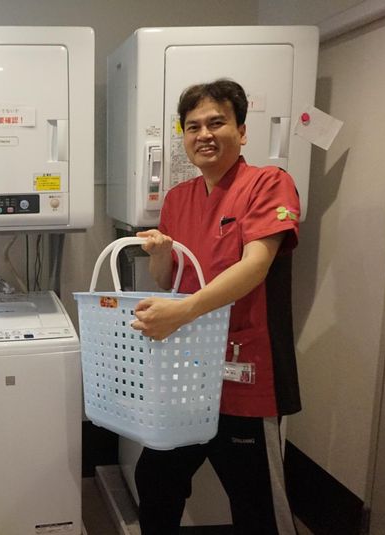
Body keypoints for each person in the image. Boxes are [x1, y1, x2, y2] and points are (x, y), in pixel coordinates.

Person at [131, 79, 301, 534]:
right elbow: (169, 280)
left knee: (255, 502)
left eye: (216, 123)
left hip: (246, 370)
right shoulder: (178, 198)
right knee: (155, 478)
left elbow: (255, 267)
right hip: (187, 372)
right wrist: (160, 254)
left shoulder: (269, 184)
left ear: (241, 131)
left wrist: (181, 313)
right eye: (193, 127)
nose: (203, 134)